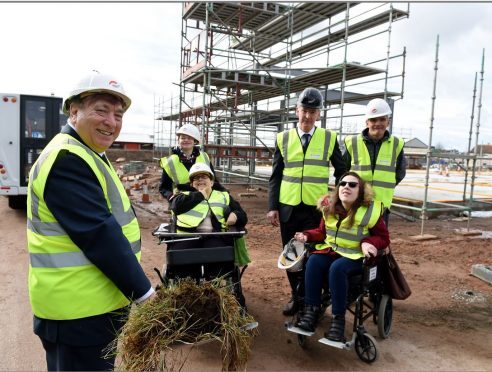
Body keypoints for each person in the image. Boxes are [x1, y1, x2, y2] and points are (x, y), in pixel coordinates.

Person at [26, 71, 155, 371]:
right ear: (74, 110)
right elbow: (99, 233)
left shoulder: (89, 153)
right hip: (76, 314)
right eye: (101, 110)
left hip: (91, 307)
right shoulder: (66, 159)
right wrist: (145, 294)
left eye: (118, 114)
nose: (111, 122)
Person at [267, 87, 346, 316]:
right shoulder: (283, 138)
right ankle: (297, 297)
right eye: (304, 110)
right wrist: (272, 207)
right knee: (291, 255)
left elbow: (341, 172)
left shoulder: (328, 138)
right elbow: (275, 175)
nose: (308, 115)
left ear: (319, 114)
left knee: (316, 255)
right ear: (296, 110)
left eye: (313, 111)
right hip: (288, 208)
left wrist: (336, 200)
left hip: (316, 211)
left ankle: (314, 300)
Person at [294, 172, 389, 341]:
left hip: (357, 256)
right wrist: (307, 235)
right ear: (338, 188)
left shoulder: (370, 212)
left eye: (352, 185)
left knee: (337, 268)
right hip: (332, 251)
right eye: (343, 183)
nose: (346, 187)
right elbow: (322, 232)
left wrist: (368, 242)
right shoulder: (330, 208)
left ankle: (338, 322)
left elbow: (383, 238)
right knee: (314, 261)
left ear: (360, 191)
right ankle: (311, 312)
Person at [169, 163, 248, 306]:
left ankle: (217, 297)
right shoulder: (183, 195)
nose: (200, 180)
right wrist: (200, 194)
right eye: (196, 178)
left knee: (218, 259)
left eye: (204, 177)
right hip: (187, 237)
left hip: (215, 236)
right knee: (183, 264)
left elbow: (243, 215)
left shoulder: (224, 195)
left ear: (211, 181)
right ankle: (187, 299)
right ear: (191, 183)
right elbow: (175, 207)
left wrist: (235, 216)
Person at [343, 98, 406, 225]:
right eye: (373, 119)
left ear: (388, 121)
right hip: (356, 203)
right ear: (367, 122)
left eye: (382, 119)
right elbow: (343, 172)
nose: (378, 123)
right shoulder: (353, 143)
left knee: (379, 242)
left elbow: (400, 172)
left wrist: (386, 187)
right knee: (354, 240)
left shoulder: (396, 144)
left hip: (381, 206)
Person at [159, 123, 226, 201]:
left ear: (195, 141)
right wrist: (171, 197)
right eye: (183, 138)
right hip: (183, 203)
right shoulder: (170, 162)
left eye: (190, 138)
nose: (186, 140)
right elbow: (164, 188)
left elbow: (213, 181)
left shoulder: (204, 157)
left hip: (205, 201)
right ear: (178, 140)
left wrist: (224, 193)